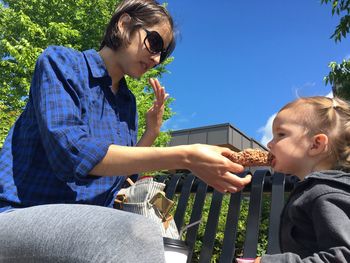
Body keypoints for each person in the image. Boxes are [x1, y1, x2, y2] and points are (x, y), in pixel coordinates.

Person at [0, 0, 251, 262]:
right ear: (124, 24)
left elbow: (122, 175)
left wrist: (151, 133)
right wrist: (184, 156)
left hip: (92, 225)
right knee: (134, 233)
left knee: (162, 245)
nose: (155, 59)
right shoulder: (61, 63)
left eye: (162, 54)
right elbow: (72, 153)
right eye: (154, 42)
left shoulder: (127, 103)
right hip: (21, 213)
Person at [253, 96, 350, 263]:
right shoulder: (314, 190)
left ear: (315, 144)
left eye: (280, 134)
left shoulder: (325, 194)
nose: (269, 144)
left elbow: (343, 257)